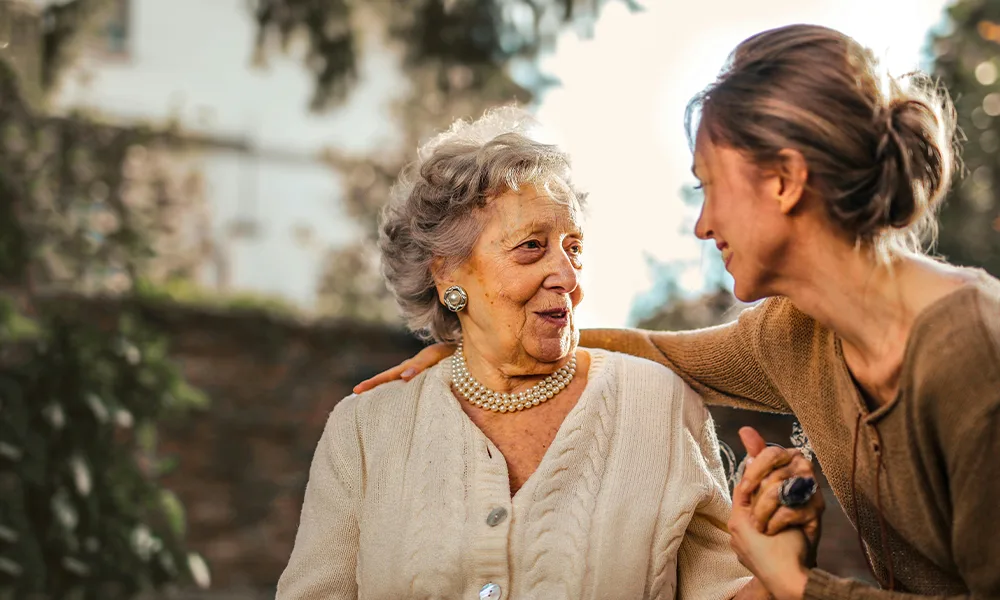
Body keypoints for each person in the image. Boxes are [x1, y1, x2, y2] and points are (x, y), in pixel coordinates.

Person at [353, 24, 1000, 600]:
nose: (702, 223)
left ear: (784, 179)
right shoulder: (797, 335)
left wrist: (794, 582)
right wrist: (482, 341)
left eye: (710, 186)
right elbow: (656, 351)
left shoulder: (973, 351)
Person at [277, 108, 771, 599]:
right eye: (532, 246)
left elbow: (724, 591)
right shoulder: (365, 429)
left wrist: (780, 564)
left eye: (573, 247)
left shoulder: (660, 406)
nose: (569, 277)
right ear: (447, 274)